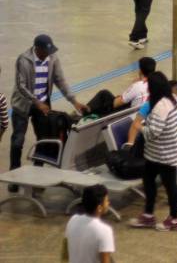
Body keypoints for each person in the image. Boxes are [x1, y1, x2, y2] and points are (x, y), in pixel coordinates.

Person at [9, 35, 87, 176]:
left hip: (43, 102)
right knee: (17, 141)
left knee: (44, 139)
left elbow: (60, 80)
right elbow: (21, 86)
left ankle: (38, 172)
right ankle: (14, 174)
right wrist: (36, 102)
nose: (49, 55)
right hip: (23, 104)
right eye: (46, 52)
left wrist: (74, 101)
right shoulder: (23, 60)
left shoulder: (52, 58)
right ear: (37, 49)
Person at [127, 72, 177, 232]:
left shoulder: (160, 107)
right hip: (160, 152)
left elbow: (153, 132)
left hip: (165, 155)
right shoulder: (174, 99)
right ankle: (149, 216)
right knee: (149, 180)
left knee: (170, 186)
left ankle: (174, 220)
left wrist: (140, 127)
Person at [64, 185, 114, 263]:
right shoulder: (105, 230)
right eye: (106, 201)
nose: (108, 203)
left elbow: (65, 252)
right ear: (99, 208)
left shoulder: (73, 219)